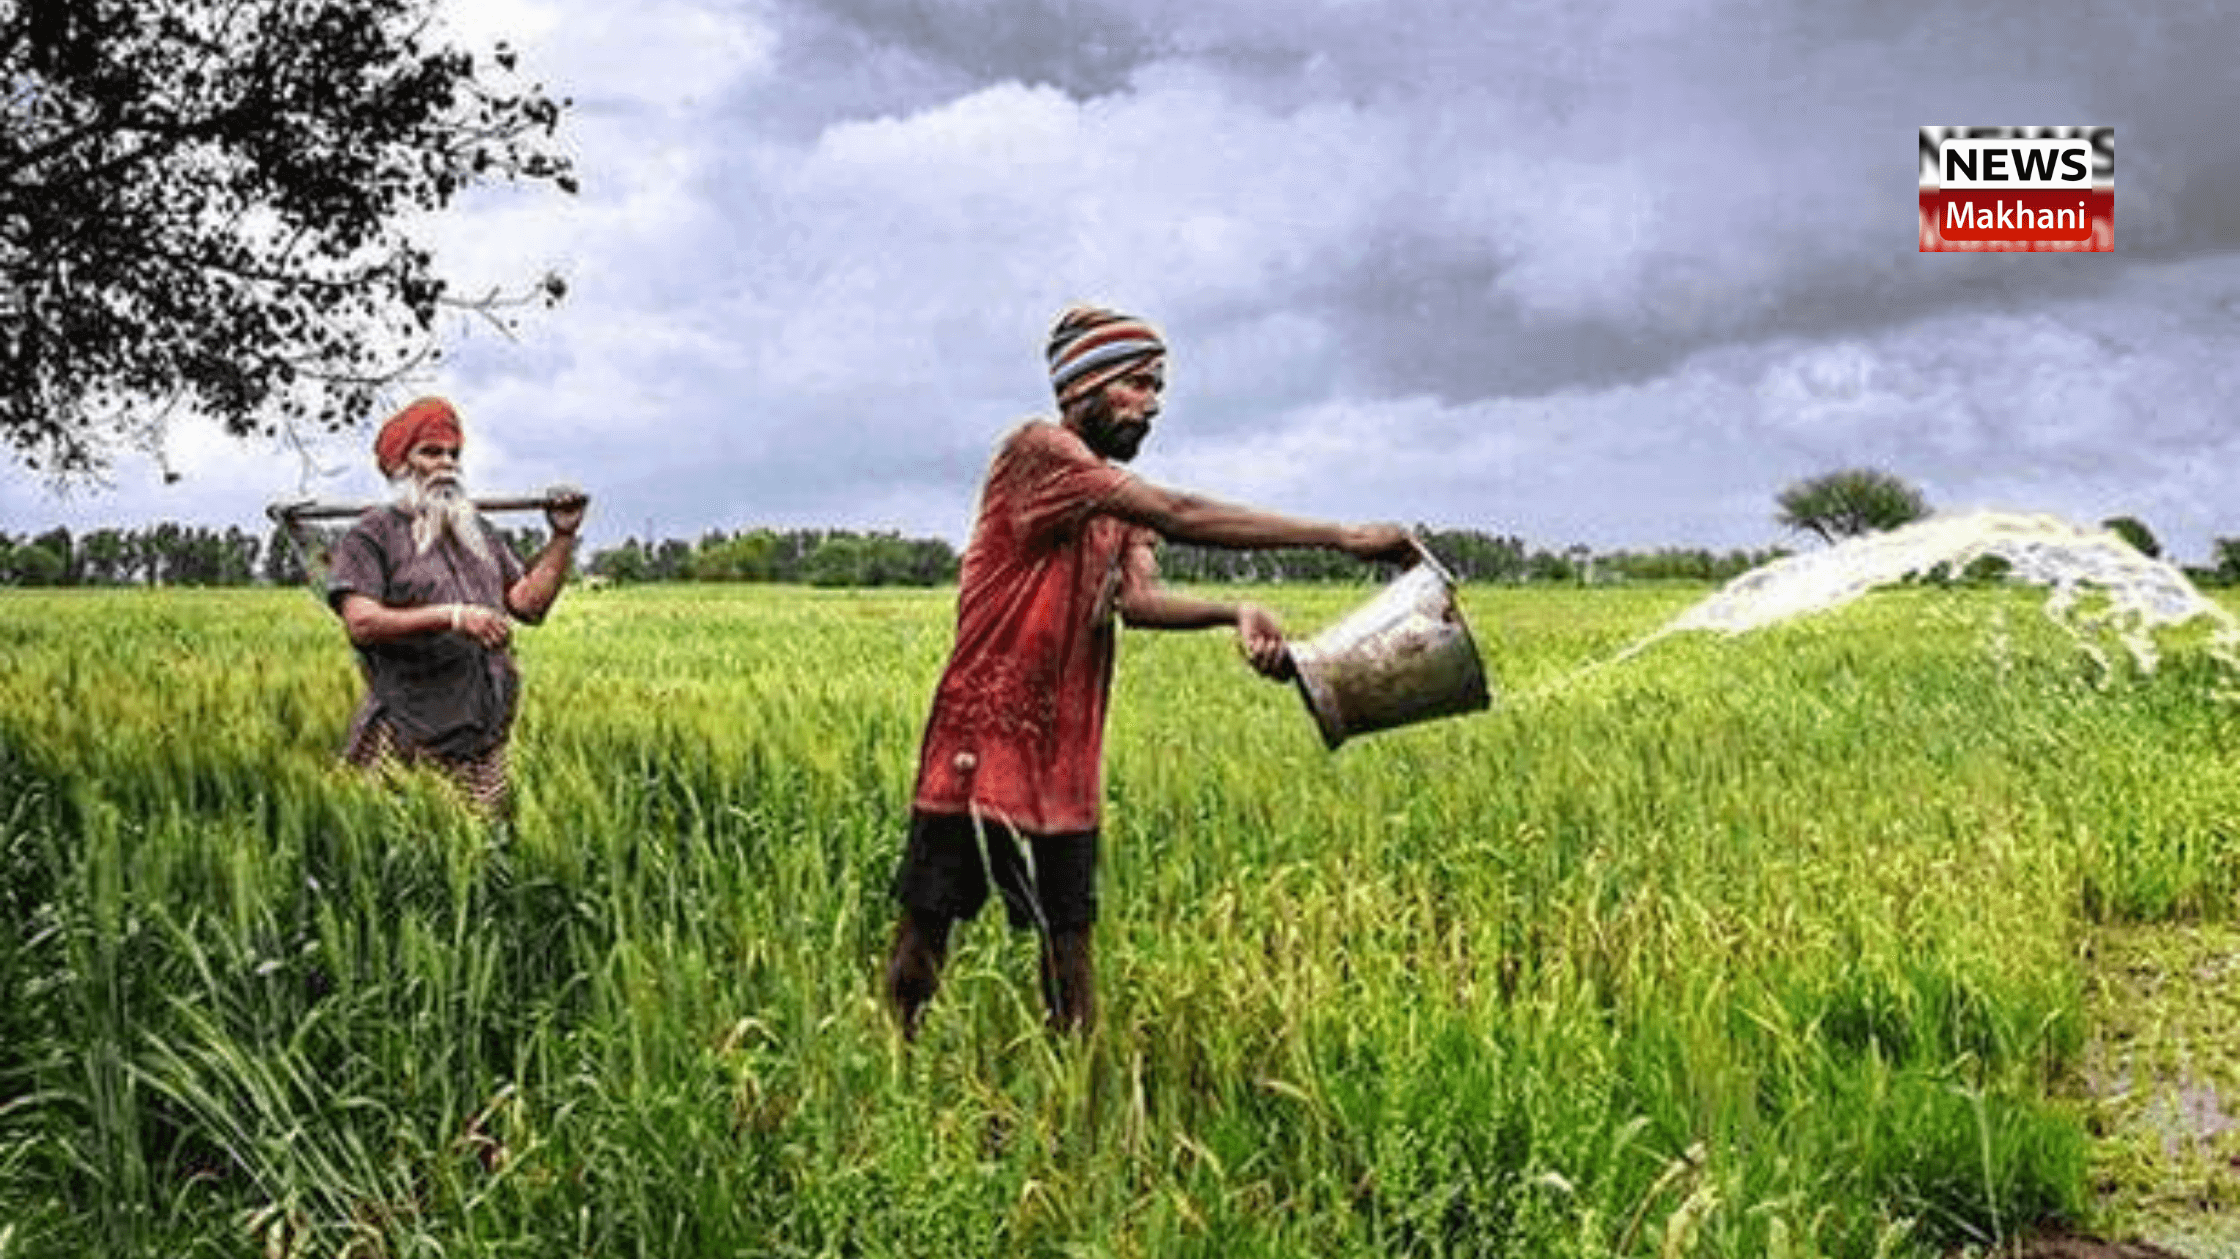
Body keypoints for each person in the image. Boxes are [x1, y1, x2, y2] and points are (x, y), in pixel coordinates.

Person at [883, 304, 1416, 1039]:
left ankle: (1075, 1103)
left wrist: (1235, 612)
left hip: (1066, 754)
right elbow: (1179, 508)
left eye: (1158, 387)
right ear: (1083, 387)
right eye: (1138, 384)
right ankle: (893, 1061)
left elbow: (1137, 601)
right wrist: (1344, 535)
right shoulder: (1038, 453)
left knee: (1070, 943)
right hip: (982, 743)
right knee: (926, 933)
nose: (1154, 403)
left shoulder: (1114, 504)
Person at [325, 396, 587, 817]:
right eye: (431, 452)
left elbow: (527, 605)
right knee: (393, 856)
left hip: (480, 738)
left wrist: (562, 538)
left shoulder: (475, 530)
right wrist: (454, 616)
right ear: (399, 465)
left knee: (478, 862)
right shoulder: (372, 536)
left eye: (454, 453)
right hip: (408, 734)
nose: (446, 463)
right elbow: (362, 622)